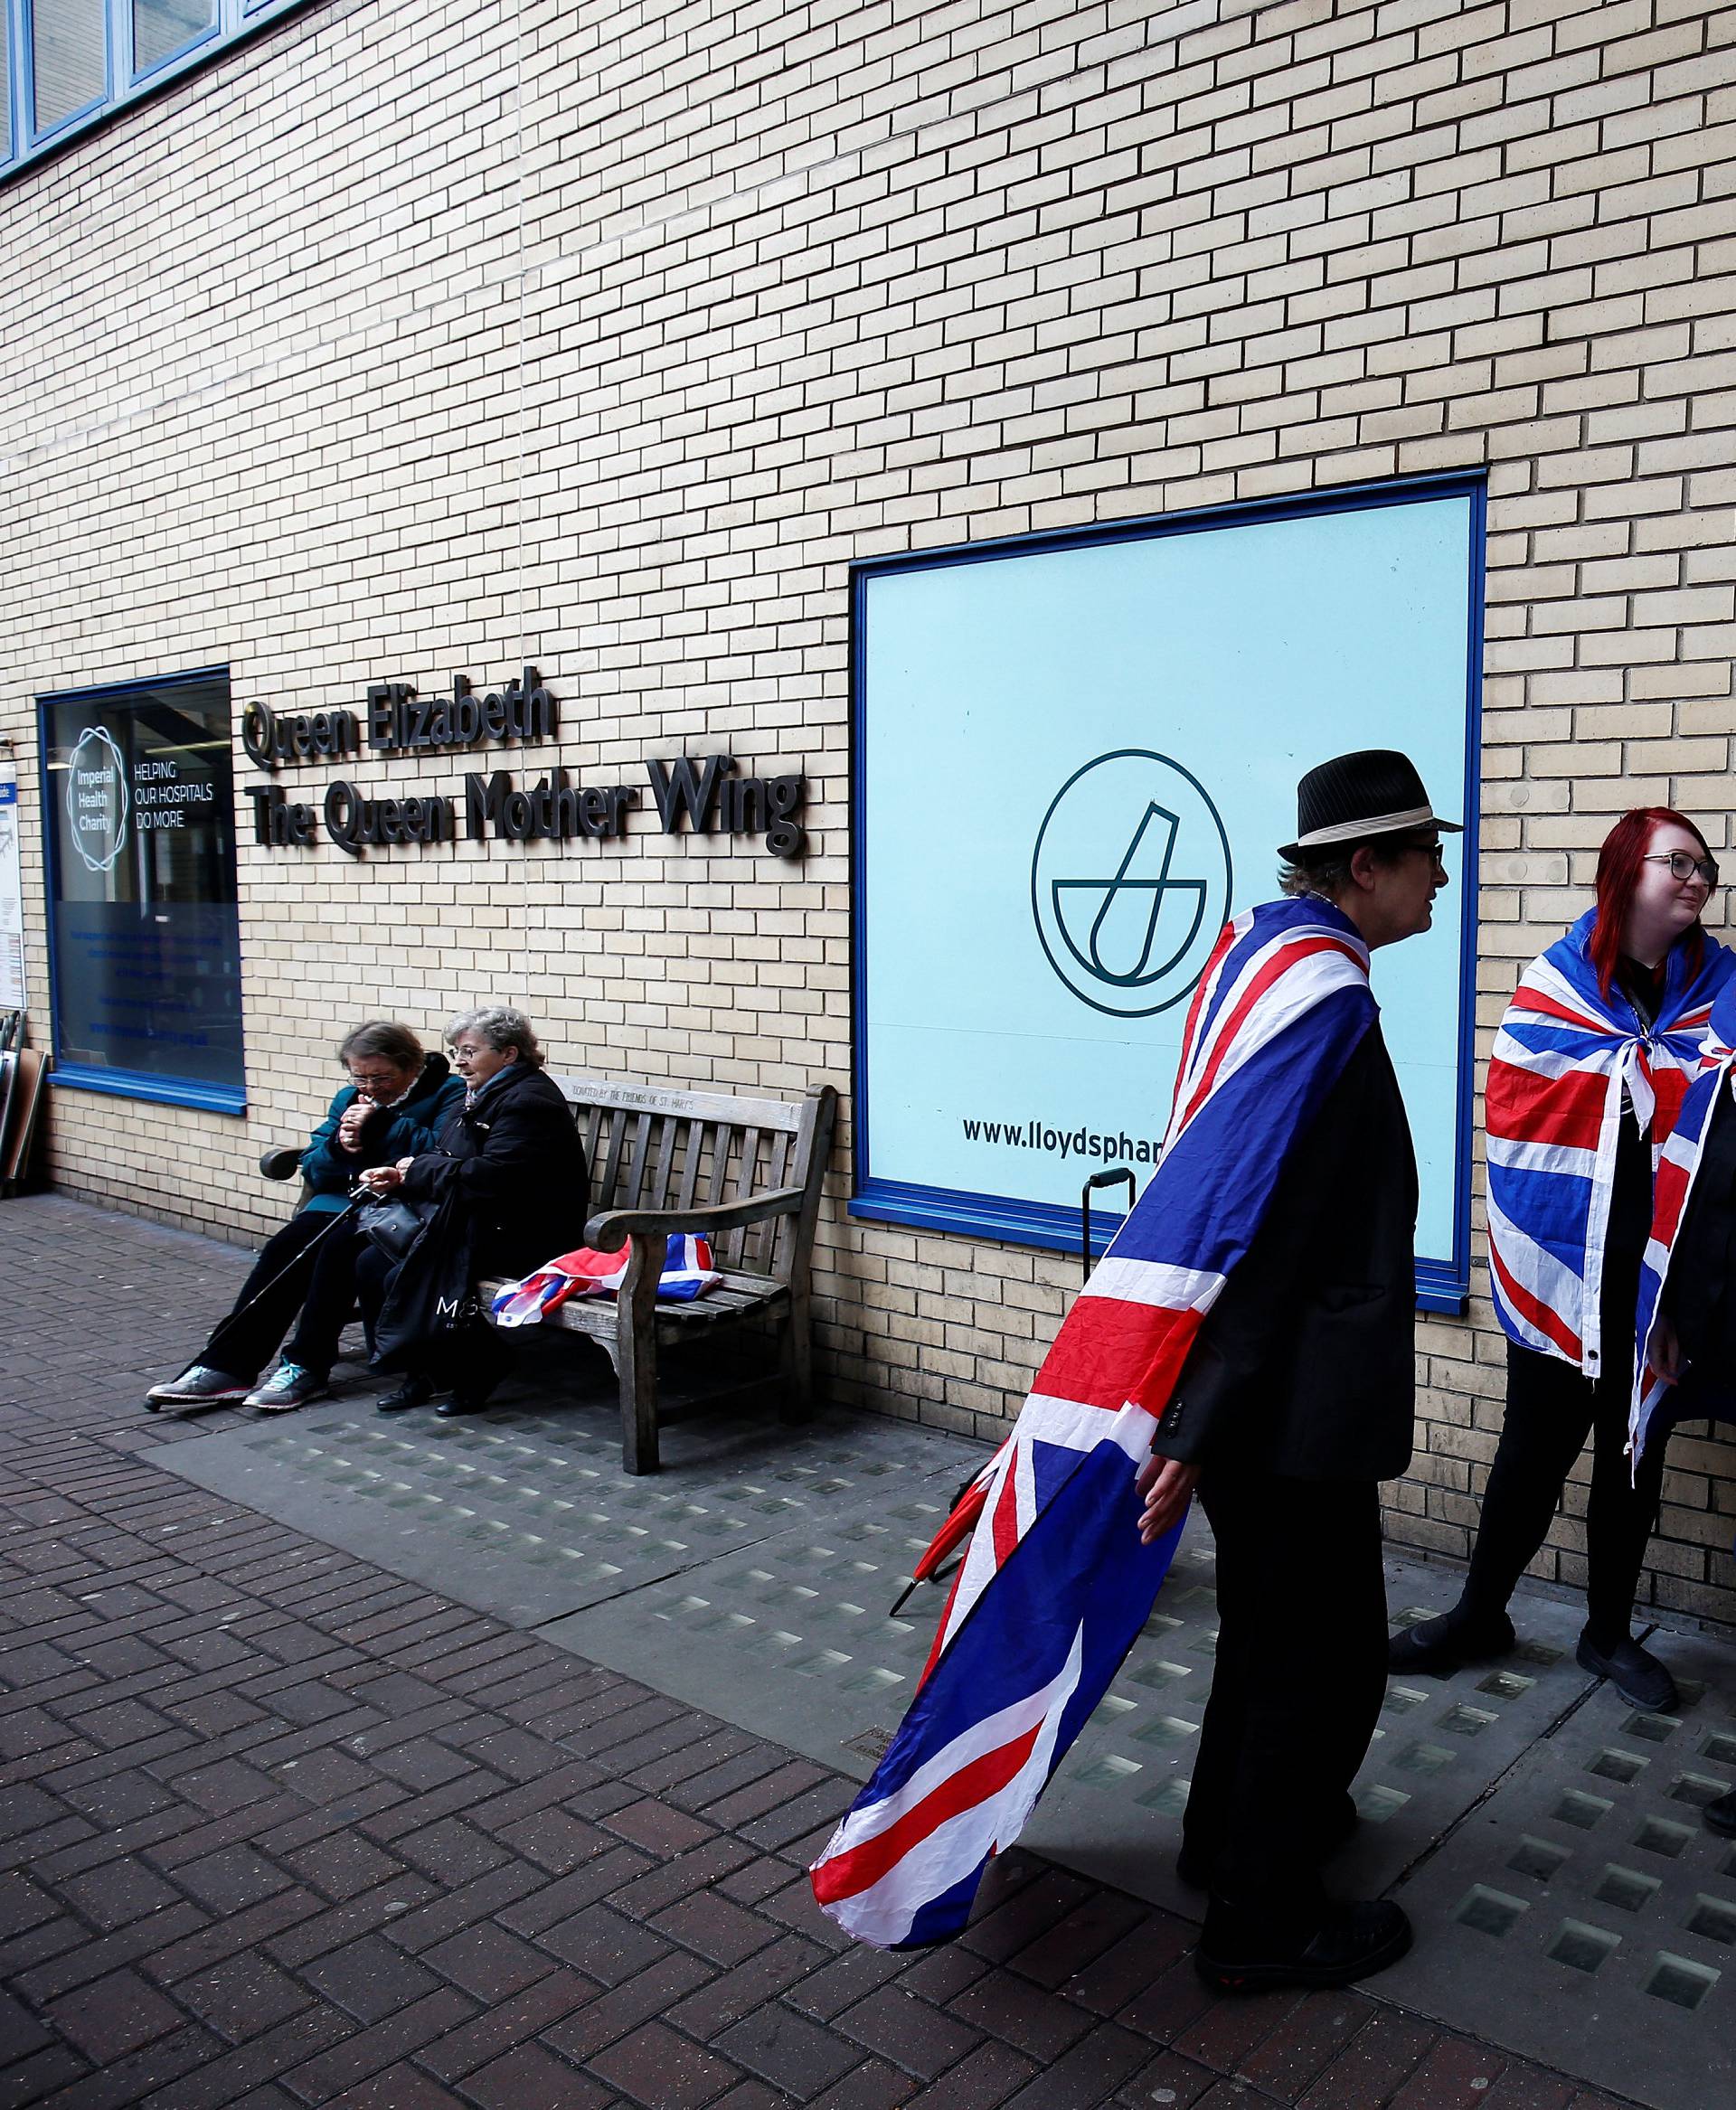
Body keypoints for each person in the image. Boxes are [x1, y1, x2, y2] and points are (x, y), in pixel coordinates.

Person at [1135, 748, 1456, 1992]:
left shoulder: (1264, 968)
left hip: (1266, 1403)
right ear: (1363, 867)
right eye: (1425, 853)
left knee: (1269, 1639)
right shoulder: (1318, 1005)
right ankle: (1261, 1921)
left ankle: (1229, 1838)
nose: (1440, 876)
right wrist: (1195, 1420)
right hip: (1286, 1411)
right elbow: (1254, 1238)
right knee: (1316, 1655)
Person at [1388, 810, 1734, 1712]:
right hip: (1563, 1271)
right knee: (1530, 1456)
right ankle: (1479, 1614)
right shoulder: (1556, 988)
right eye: (1679, 863)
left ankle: (1606, 1633)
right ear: (1625, 872)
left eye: (1707, 866)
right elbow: (1515, 1122)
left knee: (1632, 1458)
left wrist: (1686, 1305)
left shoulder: (1722, 992)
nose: (1699, 880)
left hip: (1659, 1280)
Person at [146, 1022, 462, 1409]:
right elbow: (314, 1167)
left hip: (400, 1208)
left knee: (335, 1250)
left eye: (383, 1077)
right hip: (343, 1200)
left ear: (412, 1066)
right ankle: (225, 1366)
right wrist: (340, 1146)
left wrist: (384, 1126)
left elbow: (440, 1153)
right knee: (284, 1248)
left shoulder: (450, 1094)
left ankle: (306, 1366)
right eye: (360, 1076)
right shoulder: (349, 1098)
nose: (371, 1088)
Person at [351, 1004, 590, 1416]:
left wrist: (420, 1169)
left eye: (469, 1051)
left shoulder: (528, 1101)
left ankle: (479, 1364)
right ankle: (422, 1371)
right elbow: (450, 1158)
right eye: (456, 1051)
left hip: (527, 1231)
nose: (459, 1061)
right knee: (371, 1263)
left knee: (409, 1270)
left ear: (509, 1054)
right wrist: (401, 1175)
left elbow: (494, 1176)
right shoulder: (482, 1092)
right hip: (483, 1219)